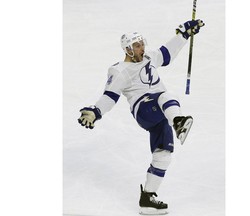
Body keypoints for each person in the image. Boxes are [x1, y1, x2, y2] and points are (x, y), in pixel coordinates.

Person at [78, 19, 205, 215]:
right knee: (167, 96)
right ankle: (178, 122)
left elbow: (167, 53)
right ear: (127, 49)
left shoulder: (149, 57)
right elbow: (110, 96)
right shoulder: (120, 70)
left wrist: (184, 33)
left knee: (163, 155)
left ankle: (148, 198)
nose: (141, 47)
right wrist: (96, 112)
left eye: (142, 43)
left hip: (161, 114)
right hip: (144, 110)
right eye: (137, 45)